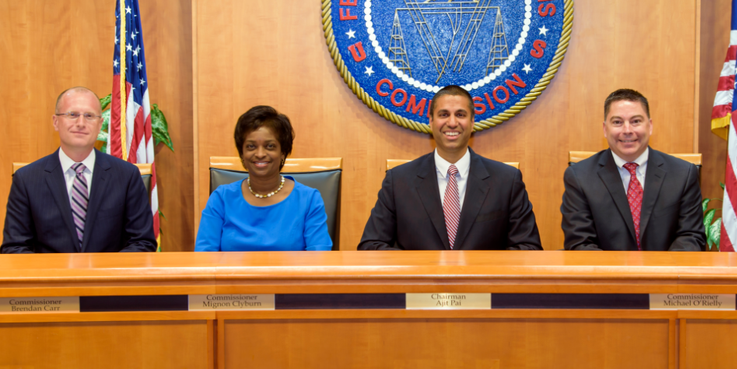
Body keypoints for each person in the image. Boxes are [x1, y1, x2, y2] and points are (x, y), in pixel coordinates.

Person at [359, 85, 542, 250]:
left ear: (472, 122)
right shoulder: (398, 181)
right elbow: (371, 246)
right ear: (430, 121)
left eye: (460, 115)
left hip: (483, 286)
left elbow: (529, 248)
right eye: (444, 114)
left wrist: (479, 270)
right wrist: (420, 268)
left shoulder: (507, 181)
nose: (452, 123)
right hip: (419, 286)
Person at [1, 87, 157, 253]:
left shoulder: (127, 176)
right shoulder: (27, 180)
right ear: (55, 122)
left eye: (89, 116)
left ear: (100, 125)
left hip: (108, 277)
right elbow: (14, 248)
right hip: (52, 277)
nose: (81, 123)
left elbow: (142, 243)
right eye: (72, 114)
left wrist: (104, 275)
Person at [561, 89, 705, 251]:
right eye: (617, 122)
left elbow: (691, 237)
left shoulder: (683, 174)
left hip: (665, 273)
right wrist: (621, 275)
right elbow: (580, 243)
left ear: (649, 126)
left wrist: (660, 274)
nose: (627, 130)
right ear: (604, 129)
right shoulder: (580, 177)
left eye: (636, 121)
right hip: (607, 274)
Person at [195, 106, 332, 252]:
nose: (260, 154)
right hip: (233, 275)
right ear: (242, 153)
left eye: (270, 146)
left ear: (283, 152)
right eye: (251, 146)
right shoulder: (222, 198)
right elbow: (204, 257)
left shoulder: (308, 200)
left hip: (289, 275)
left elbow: (319, 259)